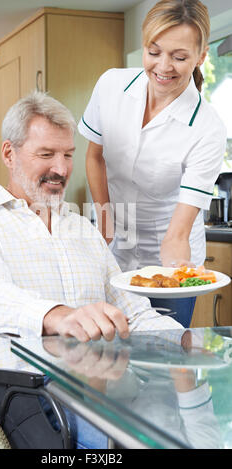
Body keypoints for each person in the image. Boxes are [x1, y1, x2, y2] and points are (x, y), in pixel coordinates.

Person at [0, 91, 182, 449]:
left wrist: (190, 343)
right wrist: (58, 316)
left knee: (183, 416)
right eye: (46, 154)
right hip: (27, 389)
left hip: (104, 381)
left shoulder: (84, 229)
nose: (62, 168)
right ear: (9, 154)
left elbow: (132, 312)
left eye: (68, 155)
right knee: (109, 440)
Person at [78, 0, 227, 328]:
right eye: (154, 51)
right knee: (110, 356)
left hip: (167, 254)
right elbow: (94, 156)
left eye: (180, 57)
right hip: (115, 250)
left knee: (164, 362)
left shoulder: (207, 127)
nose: (163, 66)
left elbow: (176, 234)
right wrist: (106, 223)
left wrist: (177, 273)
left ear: (201, 57)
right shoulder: (112, 85)